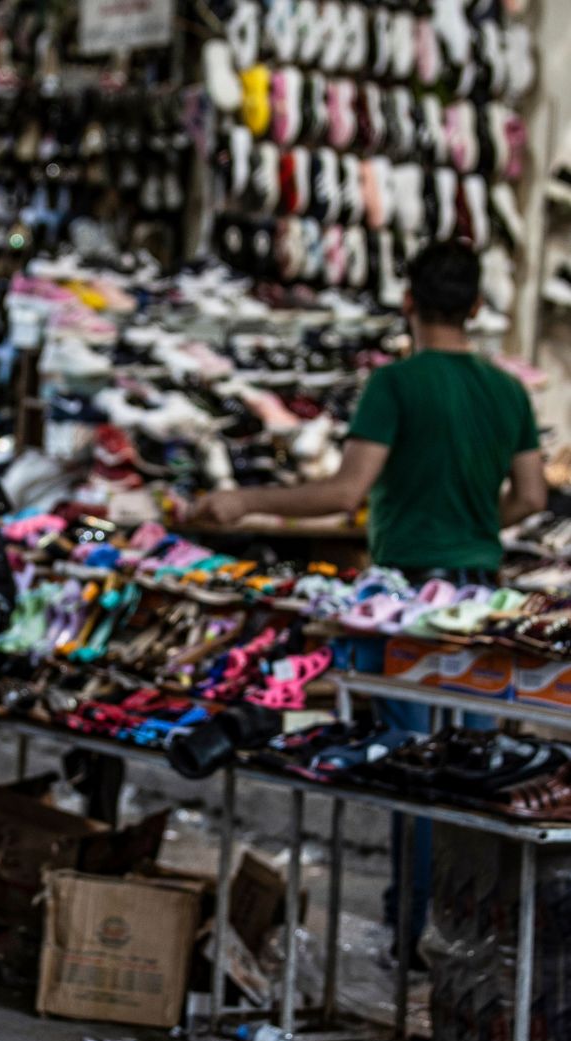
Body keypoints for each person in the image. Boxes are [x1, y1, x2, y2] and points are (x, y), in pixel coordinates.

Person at [195, 239, 548, 962]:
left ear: (409, 302)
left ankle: (413, 935)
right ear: (478, 307)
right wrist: (478, 531)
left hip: (408, 604)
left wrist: (243, 499)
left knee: (414, 767)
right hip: (481, 605)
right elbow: (534, 496)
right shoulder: (508, 390)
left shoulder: (395, 384)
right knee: (476, 776)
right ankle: (475, 941)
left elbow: (346, 491)